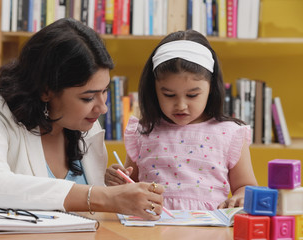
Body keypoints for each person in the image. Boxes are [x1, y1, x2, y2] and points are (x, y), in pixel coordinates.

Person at [0, 18, 164, 220]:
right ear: (45, 91)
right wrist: (105, 197)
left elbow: (82, 209)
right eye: (87, 97)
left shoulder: (83, 124)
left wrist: (108, 185)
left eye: (105, 91)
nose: (103, 108)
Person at [105, 30, 258, 211]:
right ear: (154, 91)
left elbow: (246, 186)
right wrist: (118, 181)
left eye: (192, 95)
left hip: (209, 229)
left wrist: (240, 196)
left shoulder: (230, 133)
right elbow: (132, 187)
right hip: (152, 229)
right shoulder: (144, 132)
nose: (181, 105)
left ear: (210, 88)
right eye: (169, 95)